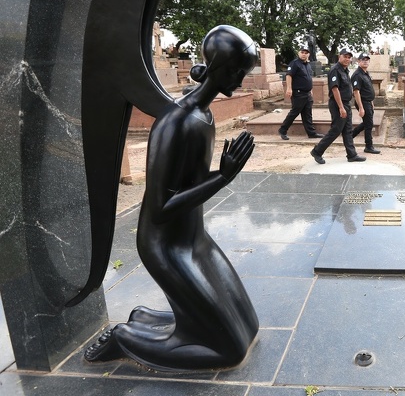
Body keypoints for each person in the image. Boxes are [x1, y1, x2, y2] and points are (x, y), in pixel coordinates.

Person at [84, 26, 260, 370]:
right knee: (228, 350)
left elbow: (189, 187)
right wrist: (222, 177)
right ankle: (124, 337)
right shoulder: (176, 122)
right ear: (217, 66)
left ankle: (147, 319)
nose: (240, 80)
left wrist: (219, 177)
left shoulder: (205, 116)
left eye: (245, 72)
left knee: (246, 326)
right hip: (164, 244)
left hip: (194, 238)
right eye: (237, 71)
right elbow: (161, 207)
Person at [310, 48, 366, 164]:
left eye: (349, 57)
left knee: (348, 131)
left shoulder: (345, 70)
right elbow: (335, 89)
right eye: (345, 56)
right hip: (338, 104)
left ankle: (352, 154)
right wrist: (341, 107)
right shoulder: (335, 70)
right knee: (336, 130)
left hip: (346, 104)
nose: (347, 59)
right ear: (339, 56)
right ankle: (317, 151)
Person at [278, 43, 323, 140]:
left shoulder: (308, 65)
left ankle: (311, 133)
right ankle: (283, 130)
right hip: (298, 93)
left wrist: (310, 89)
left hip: (307, 93)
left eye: (306, 53)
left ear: (309, 54)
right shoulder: (295, 63)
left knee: (307, 114)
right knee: (294, 112)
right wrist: (289, 88)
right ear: (299, 53)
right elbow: (289, 75)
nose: (304, 54)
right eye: (302, 52)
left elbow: (308, 78)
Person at [351, 52, 380, 154]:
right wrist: (361, 107)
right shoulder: (357, 75)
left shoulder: (366, 73)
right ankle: (369, 146)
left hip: (368, 101)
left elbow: (368, 89)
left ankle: (350, 135)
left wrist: (371, 101)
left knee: (367, 123)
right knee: (369, 125)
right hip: (362, 102)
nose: (365, 61)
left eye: (367, 60)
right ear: (358, 61)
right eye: (363, 60)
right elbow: (356, 92)